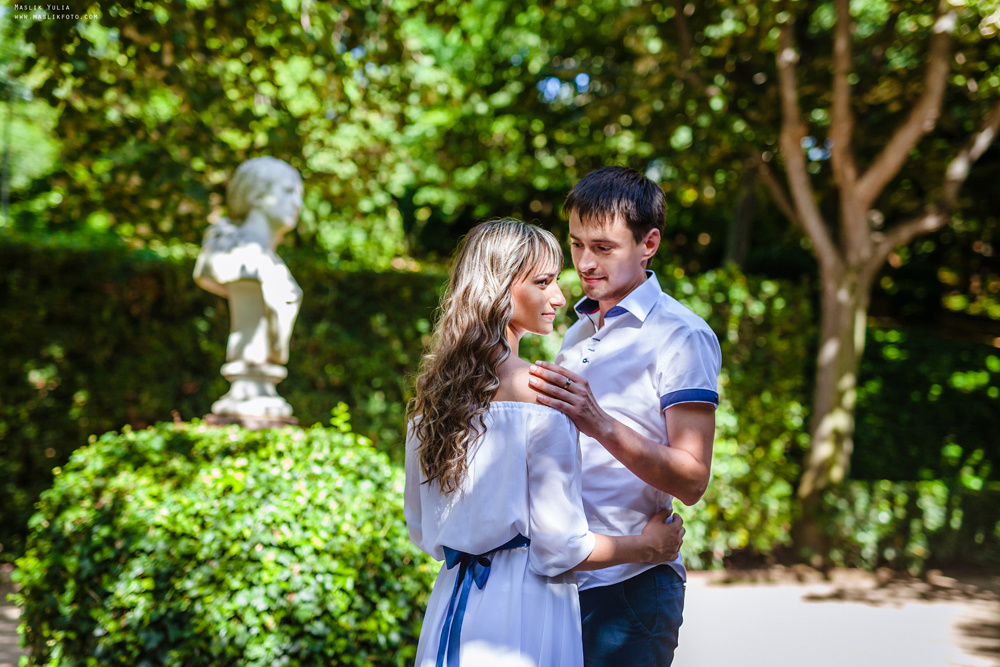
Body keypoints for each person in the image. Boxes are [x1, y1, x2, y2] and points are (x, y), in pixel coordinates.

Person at [404, 218, 685, 667]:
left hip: (452, 603)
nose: (559, 296)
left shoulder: (432, 398)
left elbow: (420, 528)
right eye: (543, 282)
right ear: (500, 290)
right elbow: (560, 546)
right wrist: (650, 546)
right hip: (525, 609)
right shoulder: (544, 391)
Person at [528, 167, 722, 666]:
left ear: (648, 242)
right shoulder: (574, 334)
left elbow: (693, 480)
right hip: (564, 576)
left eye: (603, 247)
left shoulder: (682, 334)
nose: (585, 263)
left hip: (631, 590)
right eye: (576, 246)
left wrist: (599, 422)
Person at [193, 156, 304, 421]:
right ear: (255, 196)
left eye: (300, 195)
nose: (297, 203)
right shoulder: (231, 253)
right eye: (288, 191)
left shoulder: (273, 266)